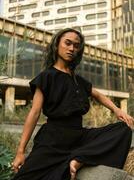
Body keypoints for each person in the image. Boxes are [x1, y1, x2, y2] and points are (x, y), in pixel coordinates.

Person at [11, 28, 134, 180]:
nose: (71, 48)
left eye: (76, 46)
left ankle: (78, 160)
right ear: (57, 45)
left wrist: (117, 110)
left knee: (123, 130)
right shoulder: (46, 77)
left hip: (79, 137)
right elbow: (34, 113)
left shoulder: (78, 80)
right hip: (53, 140)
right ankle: (74, 161)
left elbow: (98, 94)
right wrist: (20, 152)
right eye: (67, 43)